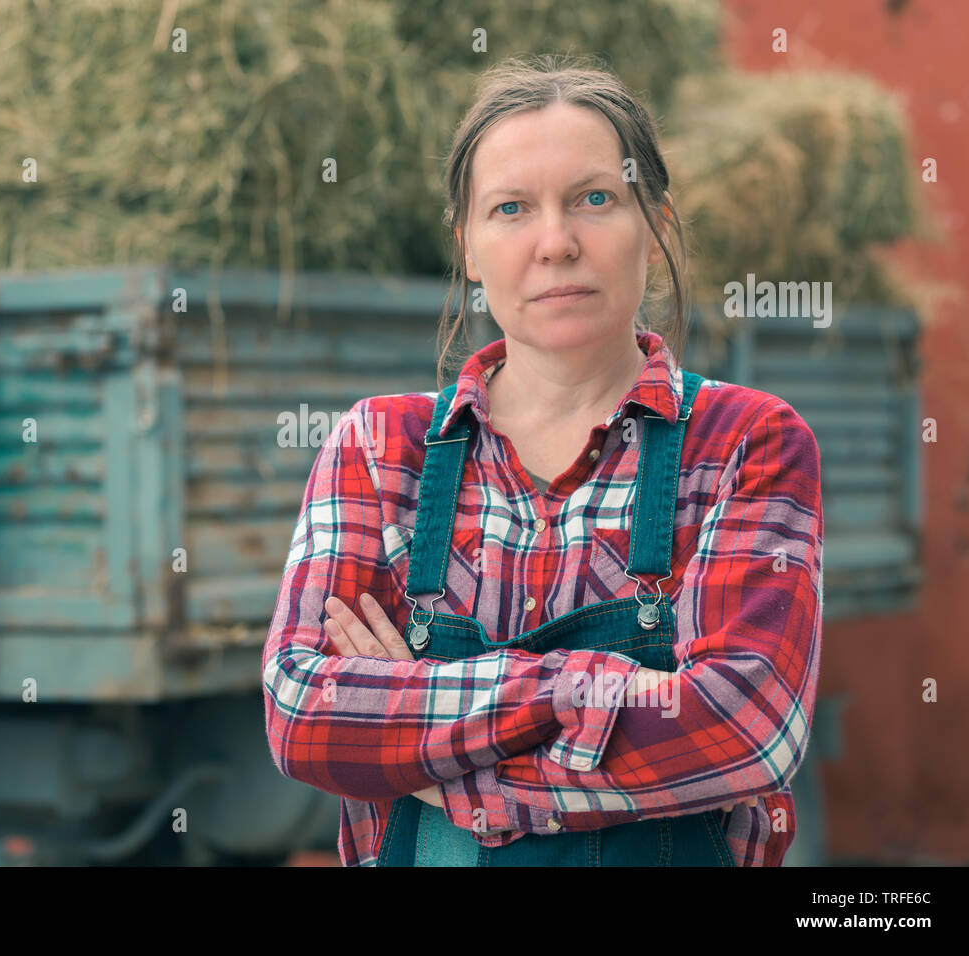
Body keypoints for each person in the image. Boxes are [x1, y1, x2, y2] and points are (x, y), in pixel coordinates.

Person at [261, 55, 822, 866]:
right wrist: (581, 692)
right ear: (468, 247)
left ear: (656, 222)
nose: (555, 243)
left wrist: (436, 762)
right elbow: (305, 716)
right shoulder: (380, 449)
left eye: (595, 199)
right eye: (512, 209)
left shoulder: (746, 442)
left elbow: (744, 730)